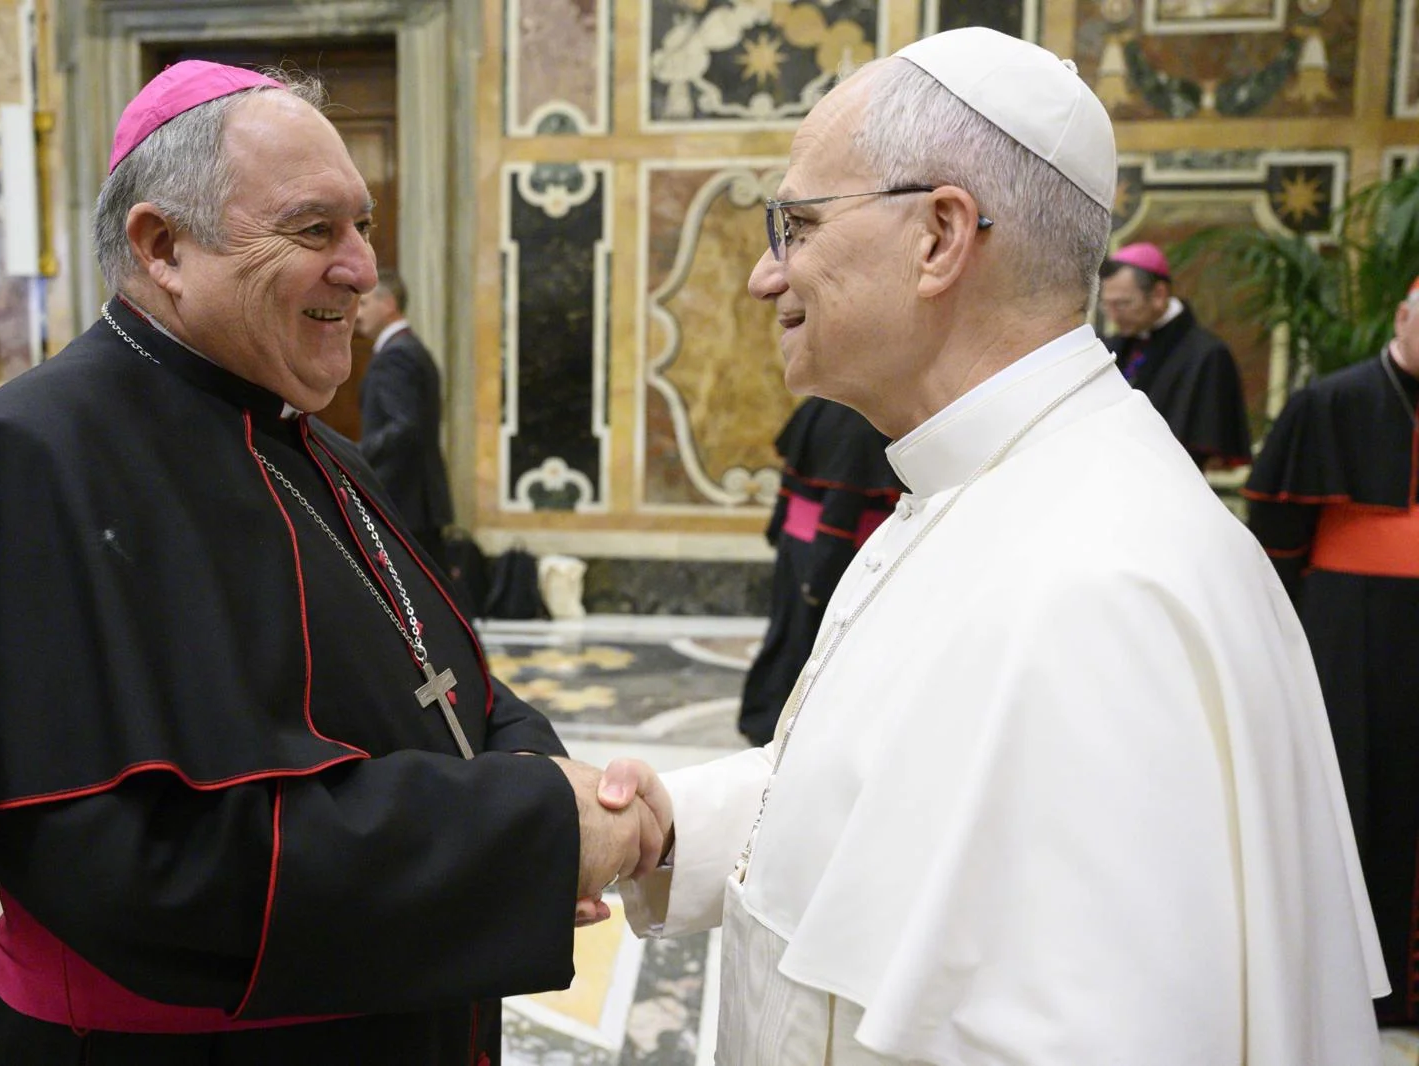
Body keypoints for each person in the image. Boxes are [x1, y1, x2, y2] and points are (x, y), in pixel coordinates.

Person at [0, 62, 662, 1064]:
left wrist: (543, 768)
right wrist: (528, 826)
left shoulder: (319, 449)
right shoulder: (35, 457)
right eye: (316, 230)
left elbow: (443, 689)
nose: (359, 267)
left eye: (362, 227)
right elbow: (143, 866)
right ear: (161, 245)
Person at [599, 27, 1387, 1064]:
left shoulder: (1101, 587)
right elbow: (897, 787)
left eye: (794, 224)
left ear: (938, 236)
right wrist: (665, 825)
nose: (761, 274)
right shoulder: (984, 485)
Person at [1244, 277, 1419, 1027]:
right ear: (1402, 314)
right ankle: (1353, 987)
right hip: (1351, 630)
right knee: (1354, 791)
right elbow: (1277, 537)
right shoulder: (1331, 402)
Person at [739, 397, 901, 746]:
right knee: (811, 645)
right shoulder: (857, 422)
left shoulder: (818, 406)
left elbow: (793, 477)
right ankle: (779, 729)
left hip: (796, 545)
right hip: (832, 554)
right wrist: (820, 574)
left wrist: (778, 528)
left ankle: (762, 718)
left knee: (788, 634)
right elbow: (840, 504)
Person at [1098, 241, 1253, 469]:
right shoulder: (1115, 345)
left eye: (1122, 304)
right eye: (1106, 306)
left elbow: (1208, 449)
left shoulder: (1207, 355)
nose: (1113, 316)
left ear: (1159, 294)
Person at [352, 269, 454, 564]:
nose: (356, 314)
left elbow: (404, 426)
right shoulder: (408, 348)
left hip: (404, 499)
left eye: (364, 303)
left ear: (389, 304)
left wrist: (356, 455)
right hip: (414, 500)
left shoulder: (397, 355)